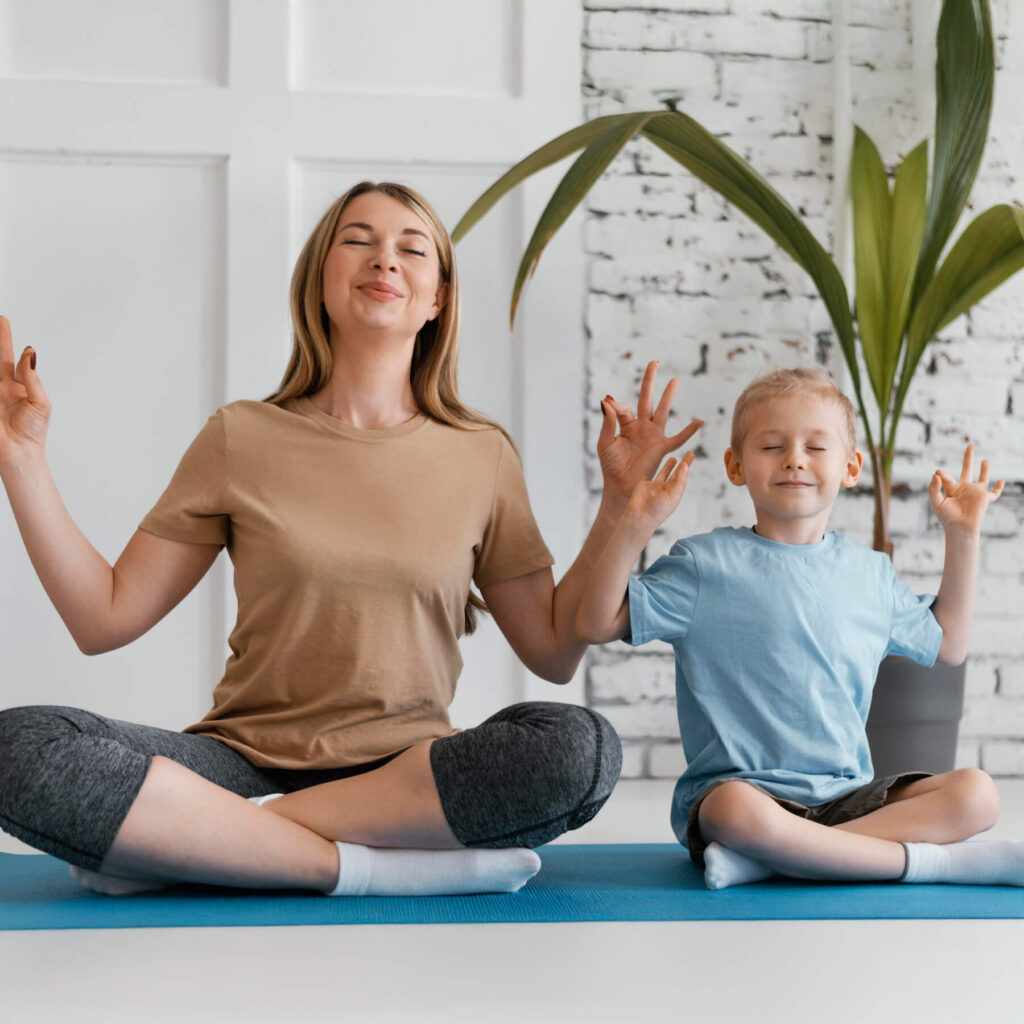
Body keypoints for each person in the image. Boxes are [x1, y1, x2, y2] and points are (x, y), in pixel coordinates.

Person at [0, 181, 701, 897]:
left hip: (404, 778)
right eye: (357, 240)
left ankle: (212, 840)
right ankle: (364, 868)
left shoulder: (482, 454)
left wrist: (622, 511)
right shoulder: (240, 436)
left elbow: (552, 653)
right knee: (20, 746)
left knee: (576, 750)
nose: (384, 261)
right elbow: (103, 618)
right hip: (239, 762)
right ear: (321, 283)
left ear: (437, 299)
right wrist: (20, 459)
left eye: (411, 249)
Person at [575, 366, 1024, 890]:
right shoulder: (703, 564)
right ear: (736, 466)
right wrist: (634, 525)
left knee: (978, 793)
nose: (794, 458)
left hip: (848, 799)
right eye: (771, 446)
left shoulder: (870, 573)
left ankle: (774, 859)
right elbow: (594, 621)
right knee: (734, 812)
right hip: (742, 794)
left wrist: (962, 535)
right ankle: (928, 864)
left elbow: (948, 644)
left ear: (851, 467)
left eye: (816, 446)